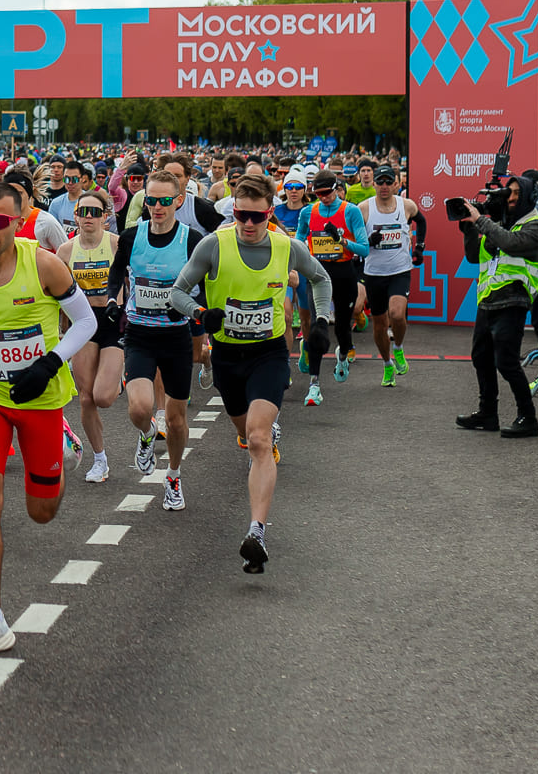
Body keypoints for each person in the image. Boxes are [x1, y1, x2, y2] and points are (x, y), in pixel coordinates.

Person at [0, 178, 95, 657]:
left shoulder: (45, 264)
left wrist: (50, 364)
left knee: (41, 512)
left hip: (42, 397)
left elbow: (87, 322)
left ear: (18, 222)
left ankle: (61, 453)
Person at [170, 175, 333, 572]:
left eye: (256, 217)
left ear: (270, 214)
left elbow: (321, 278)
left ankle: (256, 532)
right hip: (227, 356)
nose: (247, 223)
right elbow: (177, 292)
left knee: (259, 440)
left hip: (269, 353)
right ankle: (256, 433)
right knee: (245, 434)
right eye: (240, 215)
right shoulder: (214, 244)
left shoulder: (287, 246)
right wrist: (200, 314)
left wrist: (322, 321)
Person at [105, 170, 202, 504]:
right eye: (151, 200)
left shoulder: (191, 239)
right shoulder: (132, 236)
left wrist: (189, 308)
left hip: (176, 337)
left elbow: (204, 285)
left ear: (178, 201)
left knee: (176, 420)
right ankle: (147, 434)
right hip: (140, 334)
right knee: (139, 408)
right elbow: (117, 272)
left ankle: (173, 476)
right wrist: (113, 300)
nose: (157, 207)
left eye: (164, 201)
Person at [454, 174, 538, 437]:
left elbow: (511, 243)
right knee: (480, 358)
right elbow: (474, 256)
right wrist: (469, 228)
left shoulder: (535, 225)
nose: (510, 198)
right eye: (508, 193)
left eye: (516, 193)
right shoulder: (501, 225)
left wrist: (481, 221)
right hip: (488, 300)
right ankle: (487, 413)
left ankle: (528, 417)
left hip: (514, 300)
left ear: (529, 196)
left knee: (506, 362)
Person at [58, 186, 122, 483]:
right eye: (82, 212)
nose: (88, 217)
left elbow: (133, 281)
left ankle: (116, 378)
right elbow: (58, 294)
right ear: (76, 216)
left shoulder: (116, 244)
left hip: (113, 320)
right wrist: (61, 331)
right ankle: (100, 459)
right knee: (86, 399)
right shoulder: (65, 251)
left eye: (94, 212)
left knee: (103, 397)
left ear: (105, 217)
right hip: (83, 322)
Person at [295, 169, 369, 404]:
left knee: (342, 330)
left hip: (343, 273)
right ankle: (314, 385)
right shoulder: (308, 212)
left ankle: (343, 355)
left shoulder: (350, 211)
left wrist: (341, 240)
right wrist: (299, 257)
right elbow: (299, 240)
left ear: (337, 188)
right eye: (318, 194)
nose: (324, 197)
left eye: (327, 192)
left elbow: (364, 248)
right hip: (318, 274)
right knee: (318, 327)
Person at [358, 164, 423, 387]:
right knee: (379, 324)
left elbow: (421, 220)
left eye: (388, 182)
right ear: (374, 184)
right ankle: (387, 364)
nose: (384, 186)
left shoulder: (406, 205)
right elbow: (355, 239)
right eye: (380, 182)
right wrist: (368, 242)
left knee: (396, 314)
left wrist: (420, 247)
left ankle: (398, 347)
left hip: (399, 271)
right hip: (374, 273)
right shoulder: (363, 209)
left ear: (396, 184)